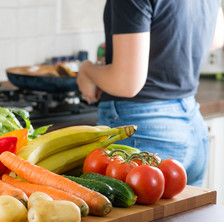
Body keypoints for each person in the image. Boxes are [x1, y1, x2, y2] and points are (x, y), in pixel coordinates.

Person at [77, 0, 224, 187]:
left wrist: (87, 71)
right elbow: (216, 38)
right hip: (192, 124)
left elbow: (126, 84)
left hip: (143, 130)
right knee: (183, 216)